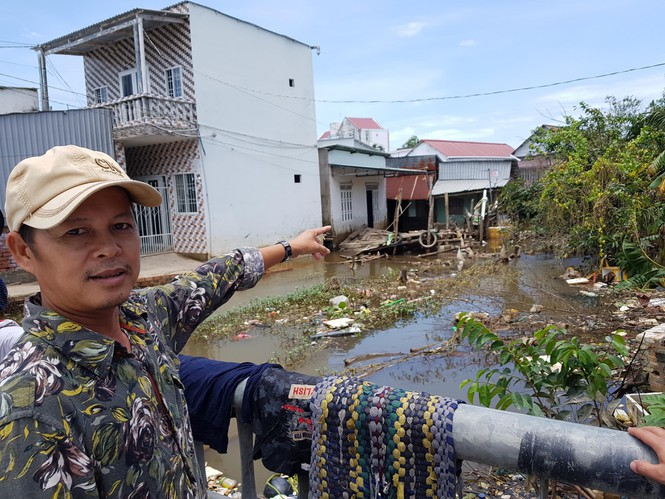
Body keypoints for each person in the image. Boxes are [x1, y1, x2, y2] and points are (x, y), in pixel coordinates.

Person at [0, 144, 330, 497]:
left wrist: (292, 246)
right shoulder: (33, 410)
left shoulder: (143, 319)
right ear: (23, 251)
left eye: (120, 225)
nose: (109, 248)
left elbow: (215, 277)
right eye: (76, 232)